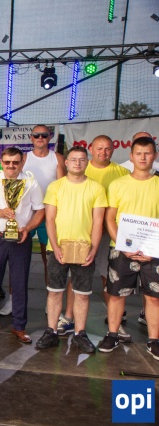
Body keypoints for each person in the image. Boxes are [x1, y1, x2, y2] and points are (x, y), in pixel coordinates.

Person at [35, 146, 107, 353]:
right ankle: (51, 331)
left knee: (82, 294)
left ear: (87, 162)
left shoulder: (96, 188)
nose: (77, 163)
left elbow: (98, 222)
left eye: (82, 159)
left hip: (84, 249)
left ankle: (79, 333)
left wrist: (93, 249)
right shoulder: (55, 187)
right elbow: (49, 219)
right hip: (58, 249)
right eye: (74, 159)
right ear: (66, 163)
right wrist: (55, 246)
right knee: (55, 292)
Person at [0, 147, 44, 343]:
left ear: (22, 163)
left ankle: (19, 326)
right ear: (1, 163)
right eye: (7, 162)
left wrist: (27, 228)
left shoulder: (30, 183)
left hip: (21, 237)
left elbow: (40, 210)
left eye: (15, 162)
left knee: (20, 282)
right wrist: (0, 212)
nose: (11, 166)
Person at [99, 136, 159, 361]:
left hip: (153, 252)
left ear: (154, 155)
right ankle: (112, 335)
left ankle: (154, 341)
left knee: (154, 298)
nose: (143, 157)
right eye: (139, 153)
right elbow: (110, 218)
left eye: (147, 153)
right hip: (121, 250)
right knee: (116, 294)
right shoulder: (118, 184)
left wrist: (153, 248)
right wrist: (123, 246)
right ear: (131, 156)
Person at [1, 125, 64, 317]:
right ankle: (12, 300)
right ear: (31, 137)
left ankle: (51, 301)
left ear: (50, 137)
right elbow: (11, 182)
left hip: (48, 215)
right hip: (25, 214)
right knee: (17, 260)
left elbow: (62, 188)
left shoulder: (57, 158)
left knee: (50, 260)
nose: (40, 138)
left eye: (44, 135)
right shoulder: (24, 158)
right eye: (37, 135)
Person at [84, 135, 131, 340]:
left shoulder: (122, 173)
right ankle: (69, 317)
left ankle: (115, 321)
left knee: (109, 275)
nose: (103, 152)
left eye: (107, 149)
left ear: (113, 150)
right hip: (83, 232)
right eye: (99, 148)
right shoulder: (80, 168)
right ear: (91, 148)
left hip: (109, 233)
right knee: (77, 274)